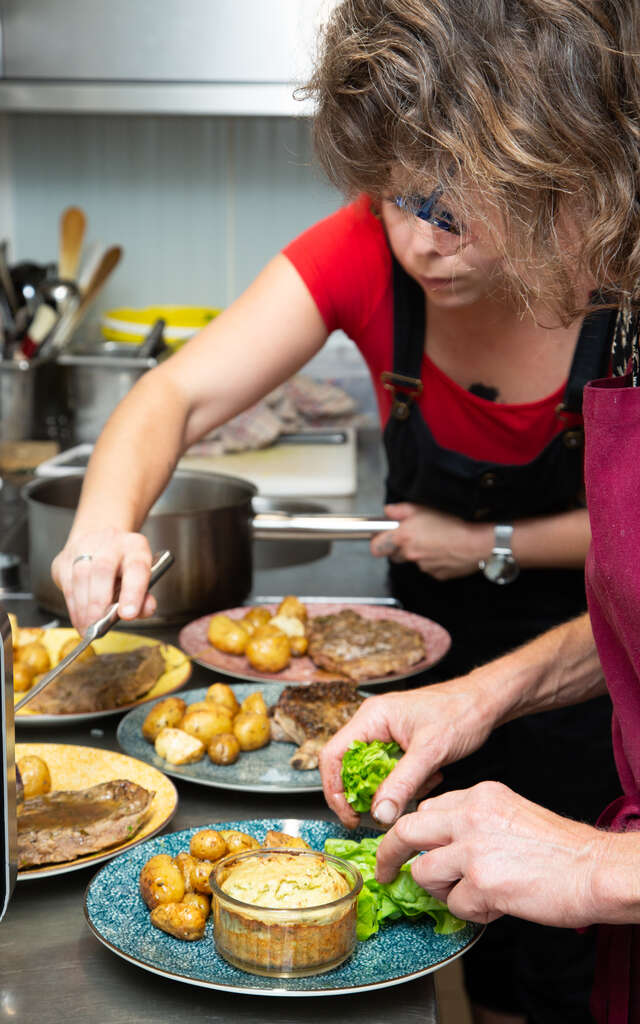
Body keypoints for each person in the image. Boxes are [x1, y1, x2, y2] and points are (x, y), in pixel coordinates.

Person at [50, 0, 638, 1020]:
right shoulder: (385, 249)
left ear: (556, 168)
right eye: (397, 200)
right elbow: (176, 394)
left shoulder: (613, 290)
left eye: (454, 210)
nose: (420, 242)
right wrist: (476, 697)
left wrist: (597, 865)